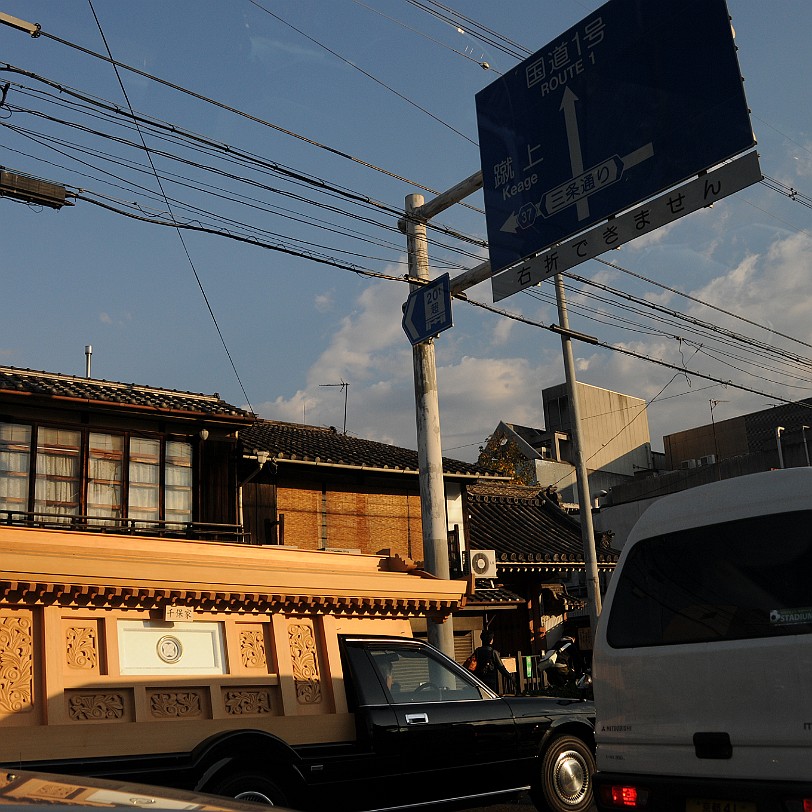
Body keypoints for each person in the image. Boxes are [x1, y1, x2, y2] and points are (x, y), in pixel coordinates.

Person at [472, 630, 514, 694]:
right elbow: (501, 668)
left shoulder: (477, 651)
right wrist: (510, 677)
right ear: (491, 640)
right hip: (491, 680)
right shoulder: (493, 652)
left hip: (479, 680)